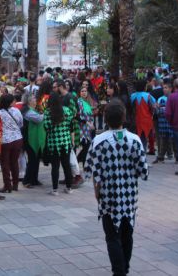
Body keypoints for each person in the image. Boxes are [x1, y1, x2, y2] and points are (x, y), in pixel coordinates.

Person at [85, 99, 148, 276]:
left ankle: (118, 271)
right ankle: (124, 269)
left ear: (105, 118)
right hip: (129, 196)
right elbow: (144, 172)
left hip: (108, 195)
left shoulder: (98, 141)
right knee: (127, 235)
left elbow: (90, 170)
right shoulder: (135, 140)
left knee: (112, 236)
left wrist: (96, 190)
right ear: (124, 117)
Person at [43, 92, 75, 195]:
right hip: (66, 142)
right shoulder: (66, 110)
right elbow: (71, 125)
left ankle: (55, 189)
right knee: (66, 165)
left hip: (53, 143)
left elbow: (46, 127)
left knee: (55, 167)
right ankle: (69, 188)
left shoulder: (48, 112)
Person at [0, 93, 23, 193]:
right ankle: (15, 184)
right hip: (17, 139)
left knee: (5, 163)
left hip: (5, 140)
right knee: (14, 162)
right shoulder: (16, 111)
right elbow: (21, 123)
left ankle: (7, 185)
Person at [20, 92, 45, 188]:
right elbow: (38, 119)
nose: (36, 100)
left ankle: (34, 179)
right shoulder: (27, 111)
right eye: (34, 98)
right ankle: (26, 180)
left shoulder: (32, 109)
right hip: (30, 140)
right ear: (29, 101)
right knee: (32, 160)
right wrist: (46, 114)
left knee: (36, 159)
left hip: (35, 139)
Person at [129, 80, 156, 154]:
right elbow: (153, 107)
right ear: (144, 87)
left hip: (136, 121)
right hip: (147, 120)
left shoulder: (132, 96)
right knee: (144, 139)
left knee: (137, 139)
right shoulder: (148, 96)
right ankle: (143, 158)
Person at [76, 86, 96, 180]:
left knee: (86, 148)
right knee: (86, 147)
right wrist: (88, 123)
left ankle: (80, 164)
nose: (84, 92)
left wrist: (91, 123)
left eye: (85, 91)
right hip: (81, 129)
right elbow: (79, 115)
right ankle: (77, 163)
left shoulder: (88, 103)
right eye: (82, 91)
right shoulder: (79, 102)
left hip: (87, 130)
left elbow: (90, 115)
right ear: (79, 92)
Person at [154, 81, 174, 163]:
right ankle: (161, 156)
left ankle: (173, 156)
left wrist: (161, 109)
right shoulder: (160, 99)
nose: (164, 89)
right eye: (163, 88)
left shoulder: (173, 98)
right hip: (162, 124)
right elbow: (157, 111)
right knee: (163, 140)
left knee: (172, 140)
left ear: (170, 89)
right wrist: (157, 108)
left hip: (171, 123)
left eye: (166, 88)